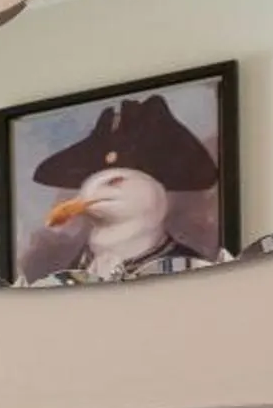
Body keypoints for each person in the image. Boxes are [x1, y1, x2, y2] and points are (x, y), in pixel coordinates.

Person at [15, 94, 227, 284]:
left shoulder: (191, 274)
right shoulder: (72, 273)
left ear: (151, 192)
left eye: (114, 182)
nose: (85, 196)